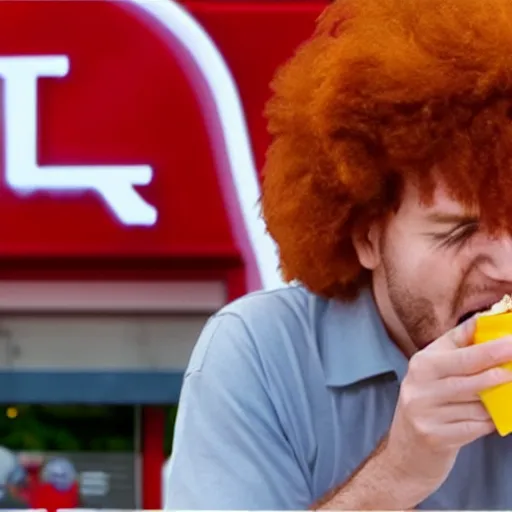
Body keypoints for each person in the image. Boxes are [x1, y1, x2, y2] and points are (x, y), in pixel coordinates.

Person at [165, 0, 512, 508]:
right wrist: (399, 472)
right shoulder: (261, 354)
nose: (505, 266)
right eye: (458, 231)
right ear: (366, 236)